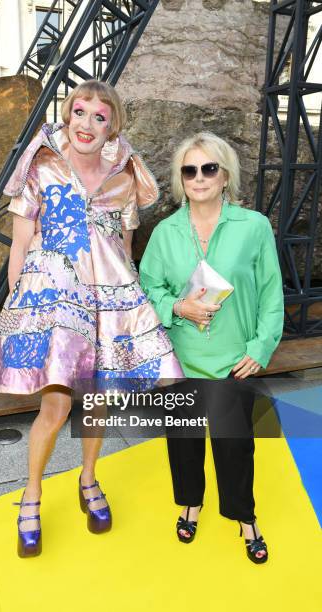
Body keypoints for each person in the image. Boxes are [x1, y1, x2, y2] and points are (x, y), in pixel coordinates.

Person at [0, 80, 183, 558]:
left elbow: (125, 248)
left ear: (112, 124)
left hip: (108, 304)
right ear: (68, 114)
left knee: (96, 404)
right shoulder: (42, 164)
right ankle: (32, 494)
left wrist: (129, 310)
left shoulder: (126, 174)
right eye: (81, 112)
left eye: (100, 115)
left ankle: (89, 480)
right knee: (56, 407)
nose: (88, 123)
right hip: (52, 300)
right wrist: (20, 305)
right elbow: (21, 242)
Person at [139, 132, 284, 564]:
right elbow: (147, 288)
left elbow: (273, 293)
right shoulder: (165, 233)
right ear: (180, 178)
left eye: (208, 168)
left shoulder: (254, 226)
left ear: (225, 176)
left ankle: (245, 517)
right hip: (180, 359)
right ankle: (190, 503)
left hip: (233, 358)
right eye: (189, 169)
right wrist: (177, 307)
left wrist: (261, 347)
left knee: (234, 445)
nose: (198, 177)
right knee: (183, 443)